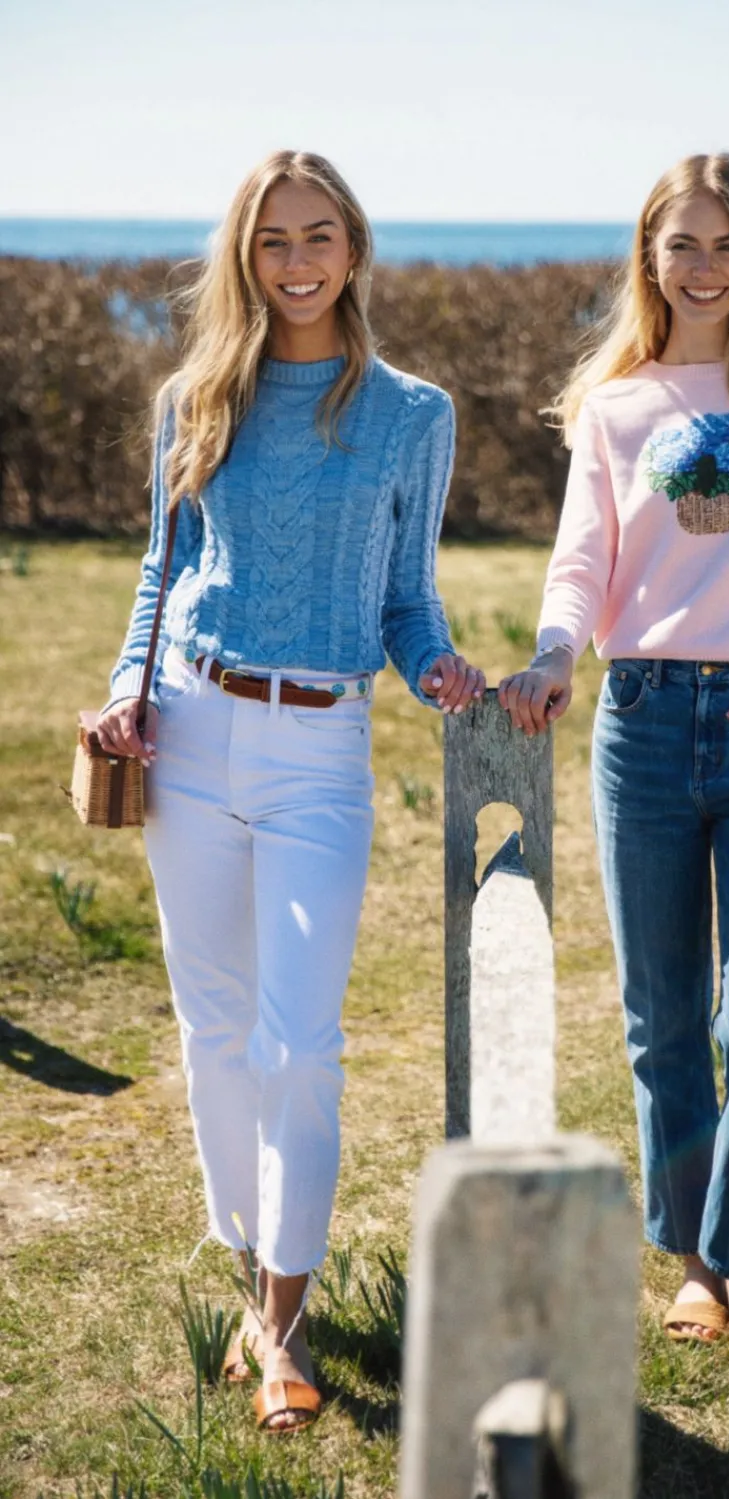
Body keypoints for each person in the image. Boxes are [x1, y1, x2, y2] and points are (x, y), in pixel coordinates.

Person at [97, 150, 483, 1432]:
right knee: (214, 1031)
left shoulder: (413, 414)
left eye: (320, 235)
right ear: (245, 256)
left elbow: (406, 598)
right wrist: (128, 684)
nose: (299, 260)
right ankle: (254, 1274)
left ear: (354, 249)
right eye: (274, 239)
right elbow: (161, 573)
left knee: (301, 1043)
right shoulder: (194, 398)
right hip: (191, 731)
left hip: (322, 749)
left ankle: (287, 1315)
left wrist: (437, 666)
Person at [499, 152, 729, 1389]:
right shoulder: (617, 402)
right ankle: (697, 1264)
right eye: (682, 244)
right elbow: (580, 560)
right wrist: (555, 652)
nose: (704, 266)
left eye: (725, 242)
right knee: (662, 1018)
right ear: (649, 258)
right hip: (644, 722)